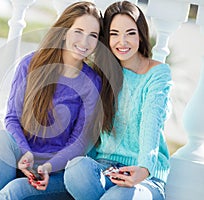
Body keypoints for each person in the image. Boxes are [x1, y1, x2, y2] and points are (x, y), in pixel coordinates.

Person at [0, 1, 122, 199]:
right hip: (23, 158)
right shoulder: (31, 64)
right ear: (64, 30)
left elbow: (80, 141)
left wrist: (47, 167)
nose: (84, 42)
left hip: (57, 172)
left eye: (92, 36)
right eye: (78, 31)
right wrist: (25, 153)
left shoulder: (92, 82)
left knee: (14, 191)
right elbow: (12, 118)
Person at [64, 1, 172, 200]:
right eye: (114, 34)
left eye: (130, 33)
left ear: (141, 34)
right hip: (105, 170)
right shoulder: (102, 73)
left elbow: (152, 121)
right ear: (107, 38)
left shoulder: (158, 74)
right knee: (76, 169)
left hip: (146, 179)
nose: (122, 42)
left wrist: (144, 168)